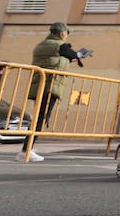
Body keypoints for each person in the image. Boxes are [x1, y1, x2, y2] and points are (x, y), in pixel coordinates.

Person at [23, 23, 83, 163]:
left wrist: (73, 58)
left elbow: (58, 59)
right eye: (67, 33)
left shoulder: (43, 44)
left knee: (38, 117)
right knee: (41, 117)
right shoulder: (60, 45)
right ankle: (26, 150)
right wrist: (80, 55)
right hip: (49, 85)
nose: (67, 36)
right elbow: (72, 54)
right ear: (62, 33)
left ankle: (27, 148)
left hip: (40, 84)